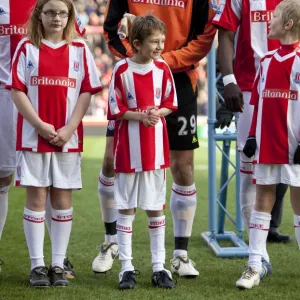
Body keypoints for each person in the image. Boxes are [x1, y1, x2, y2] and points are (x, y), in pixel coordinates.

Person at [92, 0, 219, 278]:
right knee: (111, 161)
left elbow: (205, 37)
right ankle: (111, 243)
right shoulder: (123, 70)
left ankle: (179, 255)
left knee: (183, 168)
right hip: (134, 78)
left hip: (180, 80)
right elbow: (111, 29)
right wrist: (138, 56)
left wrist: (162, 61)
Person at [6, 0, 101, 287]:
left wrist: (70, 127)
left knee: (61, 198)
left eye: (63, 13)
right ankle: (37, 266)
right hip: (34, 135)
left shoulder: (80, 49)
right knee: (36, 198)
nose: (57, 18)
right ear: (40, 15)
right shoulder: (26, 47)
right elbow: (17, 91)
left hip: (67, 138)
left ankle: (57, 264)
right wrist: (40, 125)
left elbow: (86, 91)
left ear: (70, 16)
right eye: (51, 12)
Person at [213, 0, 293, 276]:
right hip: (251, 86)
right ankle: (258, 256)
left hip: (293, 84)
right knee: (251, 168)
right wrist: (228, 80)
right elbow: (225, 33)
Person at [107, 15, 177, 290]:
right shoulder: (121, 70)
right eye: (154, 42)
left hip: (156, 152)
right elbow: (115, 108)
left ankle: (160, 268)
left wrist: (156, 113)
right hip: (127, 151)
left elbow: (171, 102)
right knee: (126, 208)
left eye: (162, 41)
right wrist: (141, 116)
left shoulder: (163, 69)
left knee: (155, 209)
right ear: (136, 43)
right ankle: (126, 268)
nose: (160, 46)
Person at [235, 0, 300, 289]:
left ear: (288, 24)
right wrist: (251, 136)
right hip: (266, 146)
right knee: (263, 200)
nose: (268, 21)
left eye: (274, 17)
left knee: (299, 206)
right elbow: (257, 103)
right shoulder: (266, 61)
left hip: (294, 147)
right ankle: (253, 266)